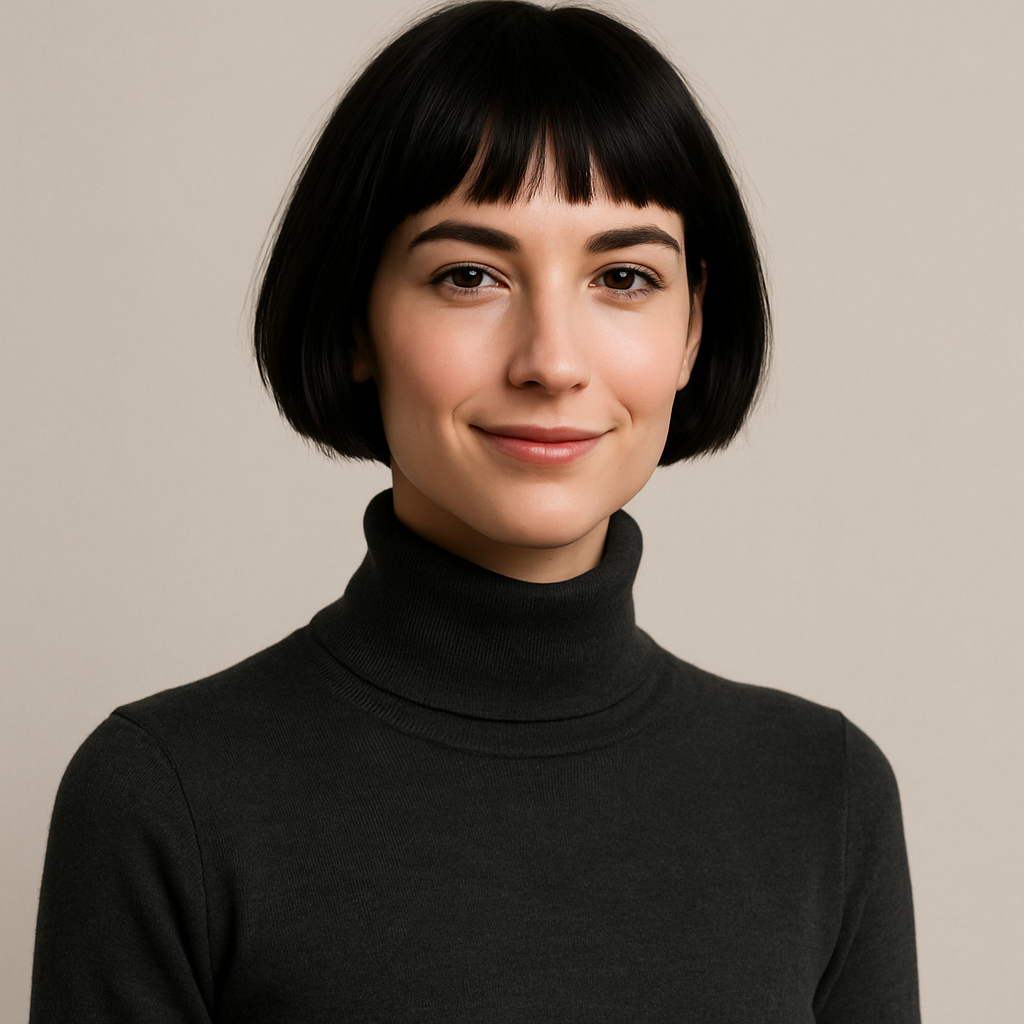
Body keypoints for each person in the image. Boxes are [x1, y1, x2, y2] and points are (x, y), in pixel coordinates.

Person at [30, 2, 920, 1021]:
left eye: (624, 277)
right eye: (469, 276)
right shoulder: (163, 796)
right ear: (355, 319)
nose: (551, 360)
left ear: (691, 330)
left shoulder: (822, 795)